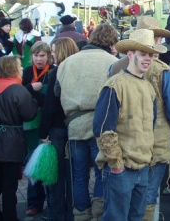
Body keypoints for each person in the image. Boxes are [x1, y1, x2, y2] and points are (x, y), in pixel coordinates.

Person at [108, 16, 170, 220]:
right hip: (154, 146)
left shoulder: (114, 68)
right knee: (146, 197)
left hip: (122, 147)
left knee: (119, 199)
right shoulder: (165, 72)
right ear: (157, 39)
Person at [93, 29, 167, 220]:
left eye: (151, 55)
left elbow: (148, 127)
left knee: (137, 217)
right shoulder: (115, 85)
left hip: (143, 168)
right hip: (121, 169)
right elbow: (103, 130)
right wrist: (117, 165)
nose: (148, 59)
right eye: (143, 54)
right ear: (130, 54)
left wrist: (148, 159)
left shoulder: (149, 88)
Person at [57, 23, 119, 220]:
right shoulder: (114, 63)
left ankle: (81, 214)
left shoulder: (67, 62)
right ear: (112, 42)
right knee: (102, 173)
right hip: (102, 127)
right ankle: (99, 213)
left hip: (74, 125)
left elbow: (57, 92)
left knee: (79, 175)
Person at [0, 56, 38, 221]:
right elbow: (29, 114)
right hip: (13, 140)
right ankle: (9, 217)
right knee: (9, 185)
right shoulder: (19, 90)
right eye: (19, 66)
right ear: (12, 68)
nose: (21, 68)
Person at [40, 37, 79, 221]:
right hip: (75, 126)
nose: (52, 55)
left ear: (62, 51)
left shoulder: (57, 72)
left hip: (57, 128)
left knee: (55, 175)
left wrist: (43, 131)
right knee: (75, 174)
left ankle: (55, 215)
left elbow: (50, 104)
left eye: (54, 52)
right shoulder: (79, 70)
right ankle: (74, 213)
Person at [22, 41, 54, 217]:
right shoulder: (26, 73)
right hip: (31, 126)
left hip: (48, 123)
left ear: (48, 56)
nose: (39, 59)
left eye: (42, 56)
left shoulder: (53, 71)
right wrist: (30, 89)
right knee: (33, 163)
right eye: (36, 55)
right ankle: (34, 202)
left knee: (49, 165)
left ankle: (52, 202)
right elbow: (18, 96)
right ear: (31, 56)